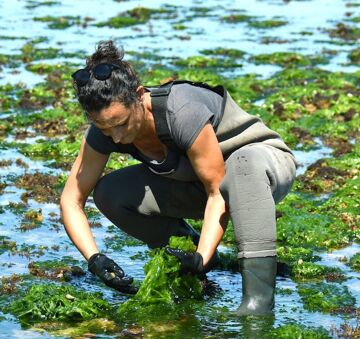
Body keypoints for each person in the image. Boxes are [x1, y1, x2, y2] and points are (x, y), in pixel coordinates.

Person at [60, 40, 297, 315]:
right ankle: (191, 251)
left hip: (261, 169)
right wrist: (95, 258)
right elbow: (71, 200)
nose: (117, 137)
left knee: (242, 166)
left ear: (139, 96)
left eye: (122, 123)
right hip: (199, 184)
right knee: (110, 193)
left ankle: (258, 303)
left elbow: (216, 192)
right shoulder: (106, 131)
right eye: (104, 128)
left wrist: (201, 260)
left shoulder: (179, 111)